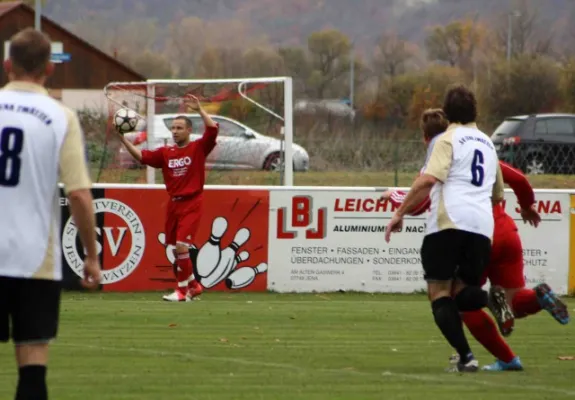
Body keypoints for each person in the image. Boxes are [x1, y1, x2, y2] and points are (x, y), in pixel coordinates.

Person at [382, 108, 570, 372]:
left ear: (426, 138)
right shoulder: (483, 149)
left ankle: (501, 357)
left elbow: (423, 198)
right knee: (514, 300)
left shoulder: (446, 152)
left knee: (460, 302)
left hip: (473, 232)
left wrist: (395, 198)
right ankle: (539, 298)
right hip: (504, 228)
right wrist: (527, 207)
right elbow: (519, 179)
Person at [0, 28, 102, 400]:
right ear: (49, 69)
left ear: (7, 64)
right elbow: (78, 194)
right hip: (34, 261)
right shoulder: (60, 117)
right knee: (32, 369)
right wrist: (91, 255)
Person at [384, 85, 510, 373]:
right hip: (481, 227)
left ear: (448, 111)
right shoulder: (489, 144)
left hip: (449, 222)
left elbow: (428, 181)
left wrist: (399, 212)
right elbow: (498, 194)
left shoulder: (447, 139)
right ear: (475, 111)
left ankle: (467, 357)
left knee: (439, 292)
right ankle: (489, 298)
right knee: (463, 292)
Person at [118, 97, 219, 302]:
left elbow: (213, 130)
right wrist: (123, 140)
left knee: (182, 246)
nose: (174, 131)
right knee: (174, 248)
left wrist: (200, 110)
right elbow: (142, 157)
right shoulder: (166, 153)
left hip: (192, 202)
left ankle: (181, 291)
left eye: (179, 127)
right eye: (173, 127)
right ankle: (194, 285)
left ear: (189, 130)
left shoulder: (199, 148)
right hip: (174, 204)